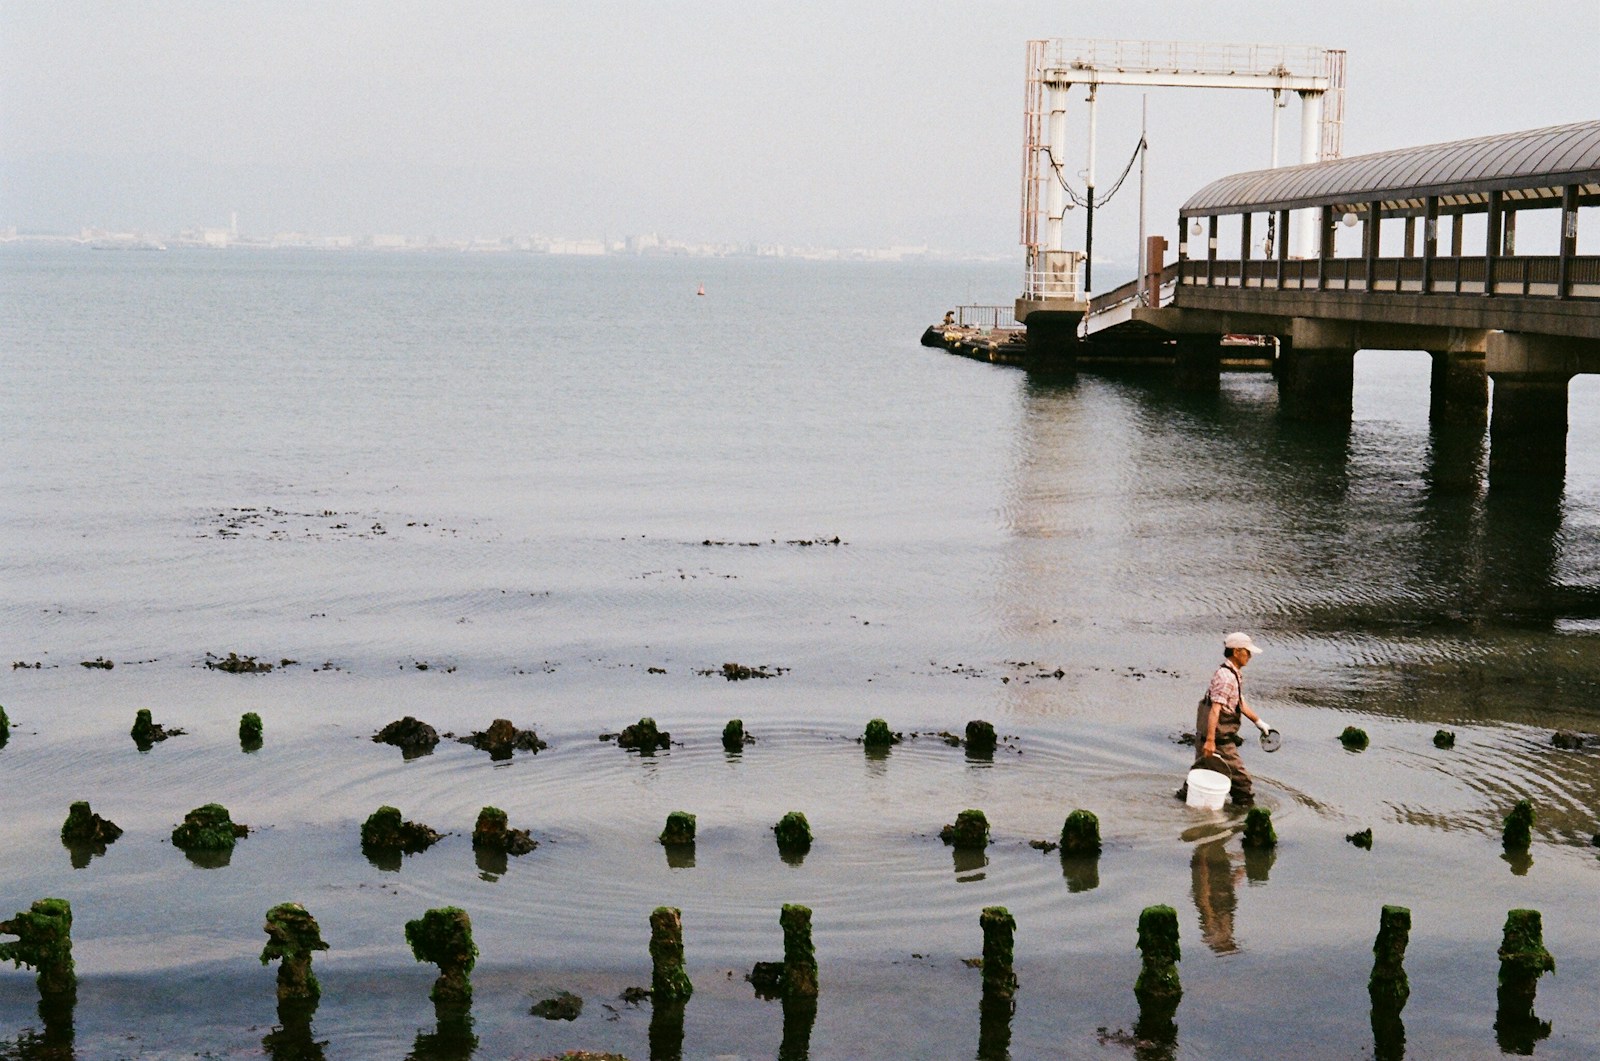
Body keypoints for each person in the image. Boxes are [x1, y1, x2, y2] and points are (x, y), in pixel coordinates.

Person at [1190, 632, 1274, 807]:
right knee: (1242, 783)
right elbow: (1215, 710)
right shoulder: (1226, 677)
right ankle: (1242, 817)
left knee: (1200, 775)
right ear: (1236, 652)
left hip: (1210, 738)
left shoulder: (1233, 674)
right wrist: (1211, 741)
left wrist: (1259, 722)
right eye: (1247, 652)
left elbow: (1239, 703)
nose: (1250, 656)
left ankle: (1187, 802)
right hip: (1219, 741)